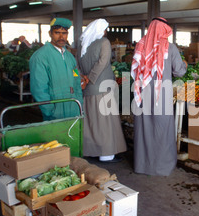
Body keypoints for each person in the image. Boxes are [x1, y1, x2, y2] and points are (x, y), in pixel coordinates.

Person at [131, 17, 187, 176]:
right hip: (161, 94)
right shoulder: (169, 48)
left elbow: (134, 70)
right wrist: (185, 65)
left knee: (144, 130)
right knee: (162, 129)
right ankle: (162, 167)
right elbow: (180, 71)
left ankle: (142, 166)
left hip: (142, 94)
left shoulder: (140, 45)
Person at [78, 19, 127, 163]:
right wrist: (91, 78)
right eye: (105, 29)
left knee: (91, 122)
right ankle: (106, 154)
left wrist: (84, 79)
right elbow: (103, 62)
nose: (106, 31)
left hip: (87, 89)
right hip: (101, 87)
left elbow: (78, 65)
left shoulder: (83, 44)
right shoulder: (104, 42)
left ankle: (91, 151)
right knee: (104, 122)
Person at [29, 18, 84, 120]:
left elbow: (76, 78)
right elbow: (38, 88)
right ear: (50, 33)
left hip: (74, 108)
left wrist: (79, 102)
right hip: (55, 111)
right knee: (56, 136)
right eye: (57, 33)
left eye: (64, 33)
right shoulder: (40, 57)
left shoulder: (70, 57)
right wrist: (50, 110)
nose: (61, 37)